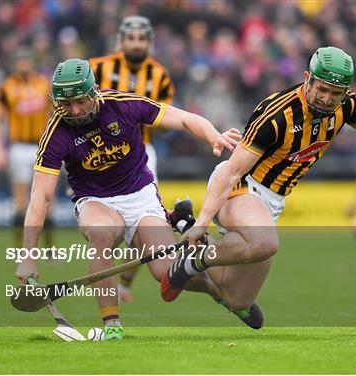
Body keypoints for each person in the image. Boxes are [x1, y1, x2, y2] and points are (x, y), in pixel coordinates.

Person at [160, 46, 356, 328]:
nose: (327, 98)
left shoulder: (347, 106)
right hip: (242, 186)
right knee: (265, 242)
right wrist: (204, 222)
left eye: (335, 93)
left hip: (273, 199)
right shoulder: (276, 115)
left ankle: (191, 252)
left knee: (237, 299)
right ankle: (195, 255)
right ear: (307, 78)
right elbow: (230, 173)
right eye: (322, 88)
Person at [14, 58, 241, 340]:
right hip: (94, 199)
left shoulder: (124, 104)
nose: (74, 111)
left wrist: (213, 136)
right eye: (66, 104)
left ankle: (214, 288)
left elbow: (182, 118)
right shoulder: (57, 131)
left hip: (139, 195)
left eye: (80, 102)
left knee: (165, 272)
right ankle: (112, 325)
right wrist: (28, 256)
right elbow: (39, 198)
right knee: (101, 235)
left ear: (94, 90)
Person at [89, 16, 175, 302]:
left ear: (149, 43)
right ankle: (109, 284)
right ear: (121, 41)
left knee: (148, 219)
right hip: (100, 153)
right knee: (106, 227)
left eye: (141, 39)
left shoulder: (160, 75)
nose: (136, 44)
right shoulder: (98, 67)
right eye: (131, 38)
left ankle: (125, 280)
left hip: (142, 153)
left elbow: (165, 115)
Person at [0, 47, 54, 248]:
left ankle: (50, 249)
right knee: (20, 202)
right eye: (20, 61)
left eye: (26, 60)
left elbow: (55, 114)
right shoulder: (6, 88)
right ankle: (19, 249)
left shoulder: (44, 84)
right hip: (18, 148)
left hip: (42, 147)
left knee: (47, 200)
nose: (23, 64)